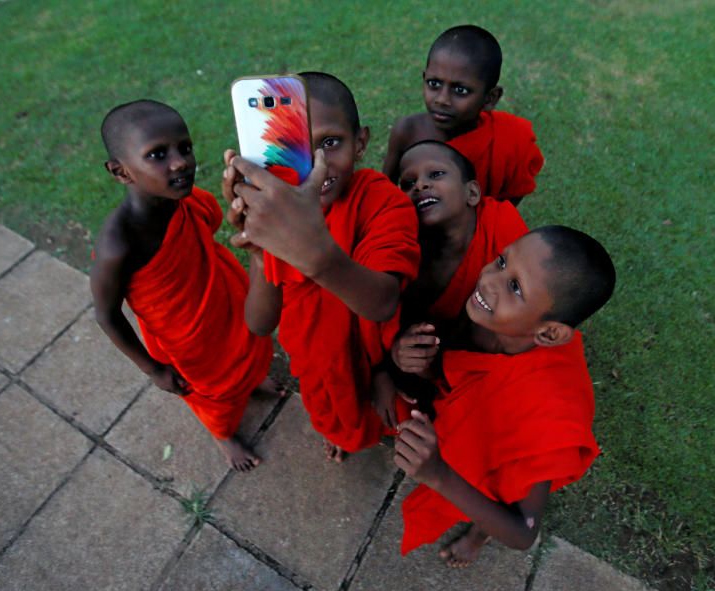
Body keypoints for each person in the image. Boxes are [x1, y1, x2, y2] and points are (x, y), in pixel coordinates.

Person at [222, 73, 420, 462]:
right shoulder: (276, 217)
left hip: (378, 357)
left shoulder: (382, 201)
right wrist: (261, 254)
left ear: (360, 142)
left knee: (389, 413)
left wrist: (313, 252)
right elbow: (260, 323)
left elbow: (382, 303)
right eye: (292, 147)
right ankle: (337, 434)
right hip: (318, 363)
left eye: (330, 143)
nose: (318, 165)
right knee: (333, 417)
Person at [392, 226, 615, 566]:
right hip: (478, 410)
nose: (489, 281)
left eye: (514, 286)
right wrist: (418, 363)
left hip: (518, 435)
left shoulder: (550, 415)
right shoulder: (492, 315)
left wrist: (438, 474)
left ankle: (478, 535)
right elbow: (458, 370)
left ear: (549, 332)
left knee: (501, 486)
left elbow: (524, 532)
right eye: (500, 261)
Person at [91, 99, 274, 472]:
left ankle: (252, 381)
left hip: (223, 302)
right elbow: (107, 315)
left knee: (252, 348)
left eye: (184, 147)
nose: (180, 162)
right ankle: (224, 434)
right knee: (214, 393)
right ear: (120, 171)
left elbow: (205, 222)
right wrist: (152, 369)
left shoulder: (178, 200)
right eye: (158, 154)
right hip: (188, 341)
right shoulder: (118, 244)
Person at [373, 140, 527, 429]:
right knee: (392, 417)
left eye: (436, 175)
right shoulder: (398, 244)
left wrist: (442, 366)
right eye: (408, 183)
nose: (419, 186)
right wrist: (387, 364)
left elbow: (523, 309)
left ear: (472, 193)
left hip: (478, 353)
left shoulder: (501, 226)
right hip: (418, 357)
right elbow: (372, 312)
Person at [382, 25, 545, 205]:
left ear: (490, 98)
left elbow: (509, 204)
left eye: (460, 90)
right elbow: (384, 192)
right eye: (434, 84)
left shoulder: (508, 140)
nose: (442, 99)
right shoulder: (408, 131)